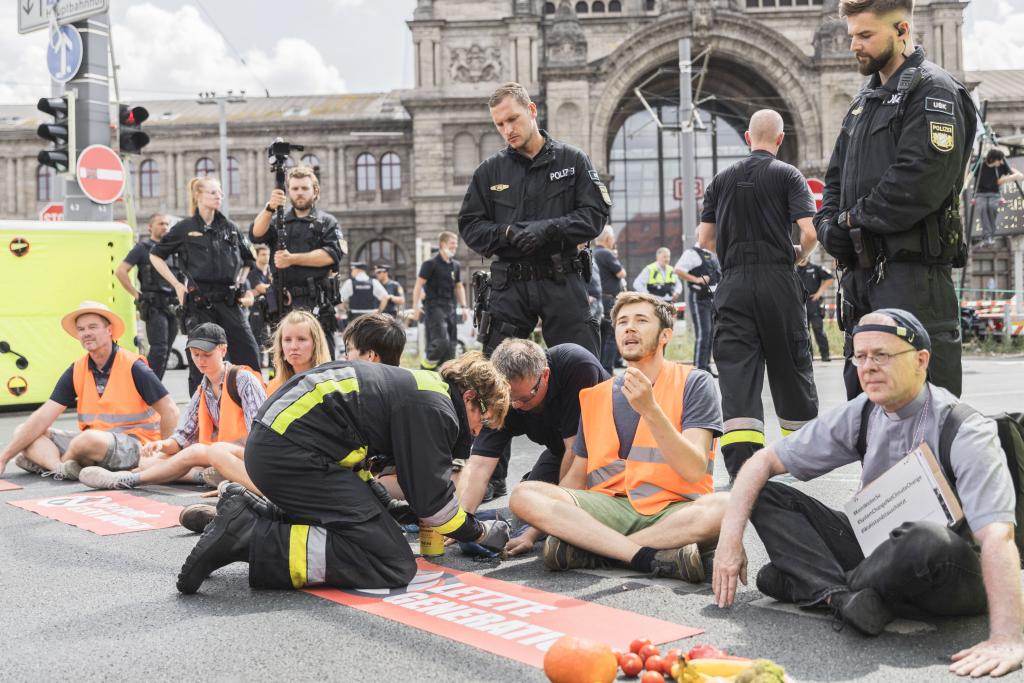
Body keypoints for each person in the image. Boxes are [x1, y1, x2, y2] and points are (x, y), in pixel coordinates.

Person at [713, 309, 1024, 678]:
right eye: (860, 356)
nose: (868, 367)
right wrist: (728, 542)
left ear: (921, 360)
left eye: (882, 355)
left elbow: (998, 535)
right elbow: (760, 462)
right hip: (873, 544)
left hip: (949, 565)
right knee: (766, 493)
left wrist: (1008, 637)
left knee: (923, 538)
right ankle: (843, 597)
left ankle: (817, 585)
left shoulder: (964, 428)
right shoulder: (862, 412)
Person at [174, 352, 512, 595]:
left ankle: (253, 514)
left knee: (373, 523)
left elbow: (355, 446)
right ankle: (248, 536)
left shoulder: (421, 387)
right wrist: (480, 532)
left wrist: (383, 503)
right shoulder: (435, 408)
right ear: (470, 396)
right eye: (482, 420)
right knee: (392, 562)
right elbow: (434, 507)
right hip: (293, 453)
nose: (477, 431)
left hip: (283, 448)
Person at [815, 0, 977, 400]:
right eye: (853, 35)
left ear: (902, 31)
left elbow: (918, 182)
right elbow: (834, 176)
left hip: (912, 280)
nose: (855, 45)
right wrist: (827, 226)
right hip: (861, 283)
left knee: (919, 416)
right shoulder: (863, 102)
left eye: (866, 35)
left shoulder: (933, 91)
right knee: (867, 415)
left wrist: (849, 223)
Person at [508, 292, 728, 581]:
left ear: (665, 335)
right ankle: (646, 555)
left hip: (675, 509)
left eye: (641, 320)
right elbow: (576, 476)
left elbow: (694, 468)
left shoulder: (695, 382)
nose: (629, 328)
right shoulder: (595, 396)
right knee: (525, 494)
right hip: (608, 508)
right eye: (622, 322)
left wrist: (651, 411)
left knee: (725, 507)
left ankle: (597, 549)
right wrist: (535, 530)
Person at [698, 109, 819, 480]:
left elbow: (704, 240)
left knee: (737, 374)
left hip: (733, 285)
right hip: (778, 282)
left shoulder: (720, 181)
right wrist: (799, 257)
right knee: (790, 364)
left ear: (748, 138)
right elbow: (810, 233)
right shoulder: (788, 175)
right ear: (779, 140)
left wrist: (733, 261)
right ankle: (799, 457)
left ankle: (743, 469)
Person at [457, 81, 610, 357]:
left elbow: (594, 216)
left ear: (531, 110)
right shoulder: (489, 172)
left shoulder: (573, 161)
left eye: (512, 119)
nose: (507, 130)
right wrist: (507, 234)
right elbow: (470, 226)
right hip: (510, 286)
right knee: (497, 377)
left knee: (583, 368)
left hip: (562, 281)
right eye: (499, 124)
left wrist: (548, 230)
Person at [78, 323, 266, 493]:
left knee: (195, 452)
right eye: (195, 354)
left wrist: (225, 457)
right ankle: (205, 476)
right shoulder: (203, 389)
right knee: (151, 461)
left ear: (223, 350)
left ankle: (129, 480)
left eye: (207, 354)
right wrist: (162, 445)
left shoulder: (243, 380)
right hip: (221, 455)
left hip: (252, 456)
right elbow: (184, 436)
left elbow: (260, 437)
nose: (200, 360)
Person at [0, 302, 178, 480]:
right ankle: (61, 468)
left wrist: (163, 458)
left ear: (109, 330)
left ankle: (47, 463)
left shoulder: (133, 366)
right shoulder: (78, 368)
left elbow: (170, 410)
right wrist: (4, 458)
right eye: (81, 329)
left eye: (93, 327)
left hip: (135, 445)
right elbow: (43, 416)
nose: (86, 333)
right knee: (23, 432)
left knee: (85, 440)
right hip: (91, 443)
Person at [458, 338, 607, 527]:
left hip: (602, 456)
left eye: (524, 398)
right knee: (525, 517)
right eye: (508, 398)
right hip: (559, 453)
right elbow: (479, 464)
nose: (516, 406)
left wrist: (550, 525)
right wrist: (461, 522)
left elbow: (575, 450)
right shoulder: (503, 396)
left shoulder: (577, 366)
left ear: (545, 375)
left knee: (549, 524)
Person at [150, 176, 261, 395]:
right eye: (212, 192)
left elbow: (250, 259)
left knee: (249, 355)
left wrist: (239, 281)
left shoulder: (230, 228)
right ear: (198, 195)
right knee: (201, 363)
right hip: (200, 305)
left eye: (220, 192)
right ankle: (201, 417)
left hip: (229, 303)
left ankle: (255, 407)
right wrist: (176, 285)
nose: (218, 196)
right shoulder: (185, 228)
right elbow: (156, 255)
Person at [250, 164, 344, 358]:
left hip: (316, 301)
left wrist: (292, 259)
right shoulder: (279, 220)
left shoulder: (326, 221)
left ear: (315, 191)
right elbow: (255, 234)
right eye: (294, 188)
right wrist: (270, 207)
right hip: (284, 302)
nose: (299, 193)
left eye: (304, 188)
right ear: (288, 191)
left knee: (322, 361)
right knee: (285, 361)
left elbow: (331, 256)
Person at [115, 213, 185, 380]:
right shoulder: (143, 248)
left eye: (167, 224)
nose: (165, 227)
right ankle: (149, 389)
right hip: (153, 305)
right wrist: (135, 294)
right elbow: (121, 271)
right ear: (150, 227)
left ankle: (154, 387)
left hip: (173, 305)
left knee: (167, 349)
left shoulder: (174, 251)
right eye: (160, 224)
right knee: (159, 348)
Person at [411, 232, 469, 370]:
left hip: (451, 307)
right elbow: (418, 286)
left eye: (456, 244)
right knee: (441, 341)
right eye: (452, 244)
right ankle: (424, 369)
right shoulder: (430, 264)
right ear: (443, 244)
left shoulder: (455, 265)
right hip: (434, 307)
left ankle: (444, 376)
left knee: (451, 346)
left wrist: (464, 307)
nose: (455, 246)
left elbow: (459, 286)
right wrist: (415, 308)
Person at [675, 243, 721, 373]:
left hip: (711, 298)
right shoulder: (692, 253)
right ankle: (699, 369)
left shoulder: (711, 254)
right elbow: (678, 270)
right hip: (699, 298)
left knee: (711, 333)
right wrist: (696, 279)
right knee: (704, 333)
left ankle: (705, 366)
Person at [593, 226, 626, 374]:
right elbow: (621, 273)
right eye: (612, 238)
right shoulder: (607, 253)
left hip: (598, 299)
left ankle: (600, 367)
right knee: (611, 335)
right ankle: (607, 369)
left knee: (600, 335)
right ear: (607, 239)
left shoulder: (591, 252)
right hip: (609, 300)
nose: (614, 241)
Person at [975, 149, 1023, 246]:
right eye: (999, 160)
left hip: (995, 195)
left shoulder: (1002, 166)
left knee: (992, 207)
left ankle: (990, 234)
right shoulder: (980, 166)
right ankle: (987, 236)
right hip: (981, 194)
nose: (1001, 162)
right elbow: (970, 174)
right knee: (983, 208)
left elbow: (1020, 175)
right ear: (992, 159)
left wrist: (1005, 179)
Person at [797, 256, 834, 362]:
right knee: (804, 331)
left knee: (818, 329)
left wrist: (820, 292)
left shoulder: (815, 268)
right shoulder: (794, 270)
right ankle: (808, 356)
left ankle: (825, 355)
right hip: (800, 304)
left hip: (813, 302)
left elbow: (830, 278)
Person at [246, 244, 273, 365]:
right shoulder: (253, 272)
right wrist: (271, 288)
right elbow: (260, 288)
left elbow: (262, 289)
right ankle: (259, 362)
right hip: (256, 309)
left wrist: (263, 289)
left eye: (268, 254)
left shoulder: (271, 271)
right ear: (257, 256)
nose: (266, 257)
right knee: (258, 336)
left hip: (270, 307)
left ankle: (273, 363)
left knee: (272, 335)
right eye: (263, 254)